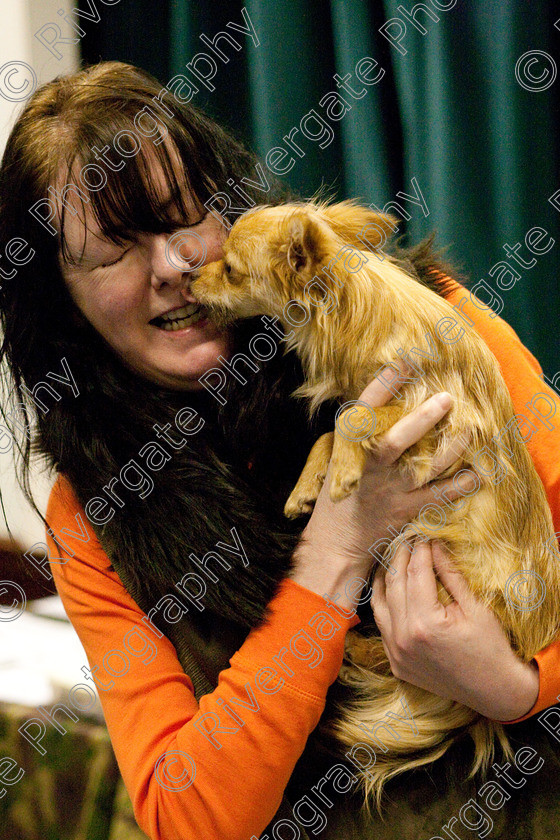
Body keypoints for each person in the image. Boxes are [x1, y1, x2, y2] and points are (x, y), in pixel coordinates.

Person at [0, 61, 559, 840]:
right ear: (58, 294)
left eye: (181, 217)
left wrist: (515, 685)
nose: (173, 268)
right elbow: (186, 816)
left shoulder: (432, 328)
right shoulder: (92, 512)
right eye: (113, 252)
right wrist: (334, 552)